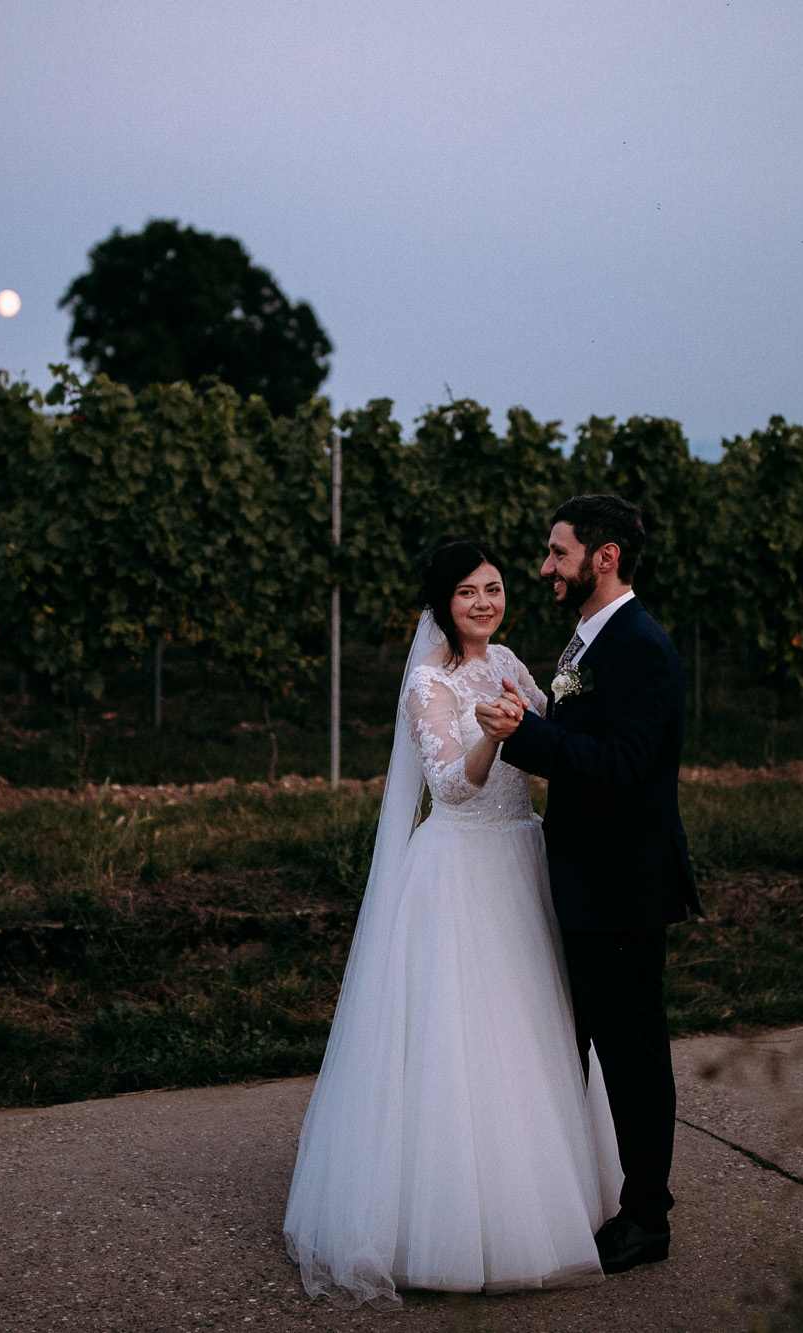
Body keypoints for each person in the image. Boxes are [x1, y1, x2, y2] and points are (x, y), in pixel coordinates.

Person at [282, 540, 622, 1309]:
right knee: (462, 1038)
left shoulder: (509, 660)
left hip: (521, 857)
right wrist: (490, 739)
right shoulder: (428, 683)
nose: (484, 602)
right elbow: (451, 786)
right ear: (442, 603)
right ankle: (450, 1223)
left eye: (494, 588)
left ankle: (548, 1194)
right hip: (462, 866)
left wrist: (548, 724)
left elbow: (552, 740)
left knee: (535, 1024)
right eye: (467, 591)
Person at [475, 494, 701, 1276]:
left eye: (557, 552)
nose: (545, 567)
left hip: (624, 885)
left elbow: (624, 767)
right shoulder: (589, 639)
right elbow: (585, 739)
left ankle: (646, 1217)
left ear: (604, 557)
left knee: (631, 1051)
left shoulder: (640, 647)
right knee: (580, 1042)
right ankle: (570, 1190)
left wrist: (528, 738)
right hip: (583, 881)